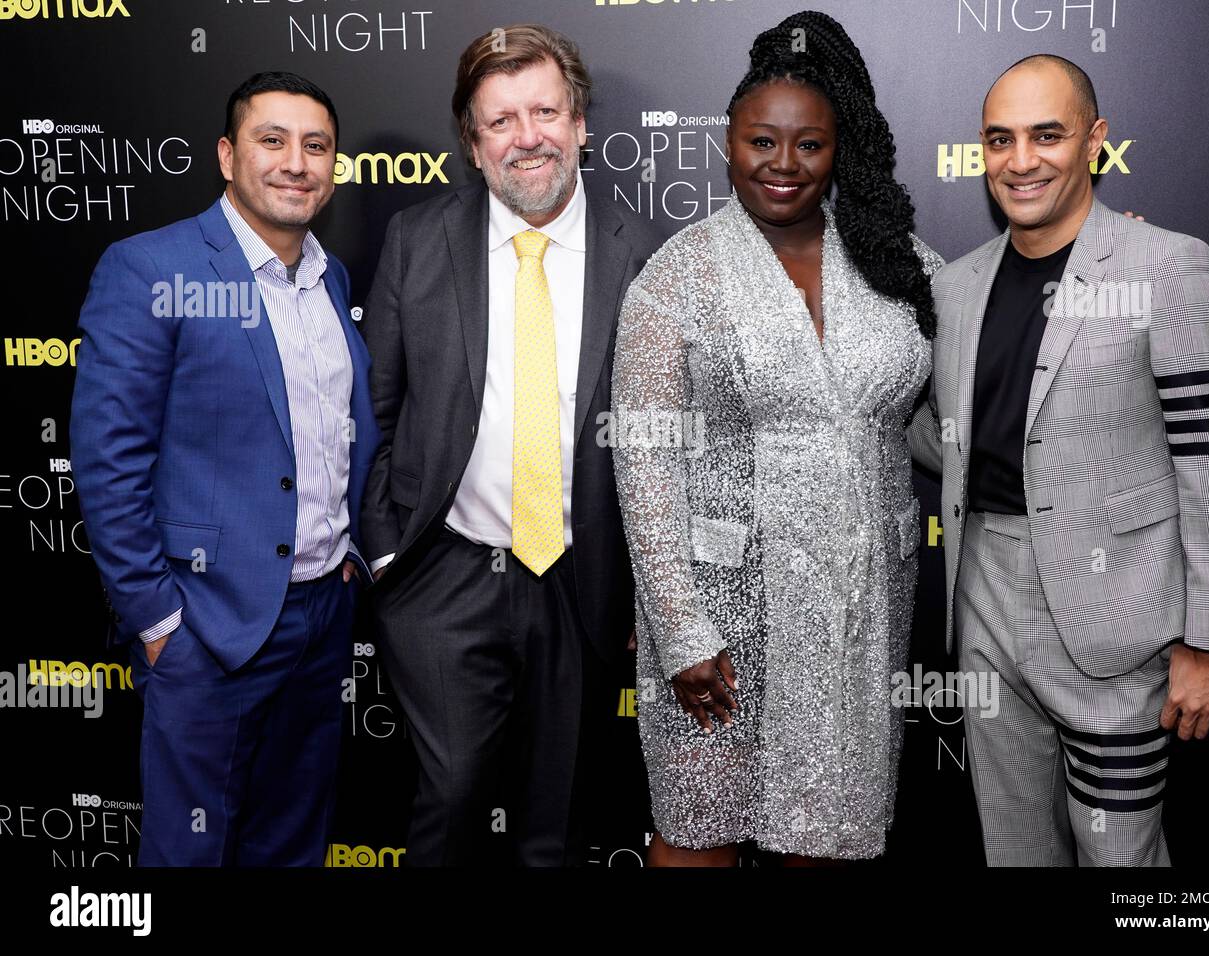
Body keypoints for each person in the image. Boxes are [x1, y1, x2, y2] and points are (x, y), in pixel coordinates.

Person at [907, 54, 1209, 865]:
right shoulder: (956, 289)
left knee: (1121, 859)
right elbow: (946, 435)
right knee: (1016, 851)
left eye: (1047, 135)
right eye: (1001, 139)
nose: (1021, 160)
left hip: (1119, 619)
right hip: (984, 598)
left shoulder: (1167, 267)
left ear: (1095, 141)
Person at [611, 11, 943, 865]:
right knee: (699, 831)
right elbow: (644, 465)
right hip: (720, 613)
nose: (784, 166)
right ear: (729, 141)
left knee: (825, 835)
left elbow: (944, 425)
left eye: (810, 145)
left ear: (841, 150)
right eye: (763, 141)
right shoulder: (675, 276)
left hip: (855, 612)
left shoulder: (899, 265)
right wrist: (680, 630)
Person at [360, 24, 659, 866]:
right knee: (448, 805)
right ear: (472, 141)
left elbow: (675, 444)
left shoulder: (644, 255)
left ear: (581, 124)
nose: (527, 137)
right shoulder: (417, 241)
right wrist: (385, 553)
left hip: (583, 580)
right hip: (444, 574)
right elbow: (374, 412)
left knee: (555, 830)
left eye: (545, 112)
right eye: (501, 121)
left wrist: (649, 586)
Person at [70, 71, 379, 866]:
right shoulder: (151, 269)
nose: (296, 162)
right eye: (271, 141)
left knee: (291, 843)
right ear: (226, 155)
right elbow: (109, 460)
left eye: (316, 146)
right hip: (207, 625)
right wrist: (160, 620)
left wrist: (346, 560)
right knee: (188, 855)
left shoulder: (329, 277)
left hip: (320, 616)